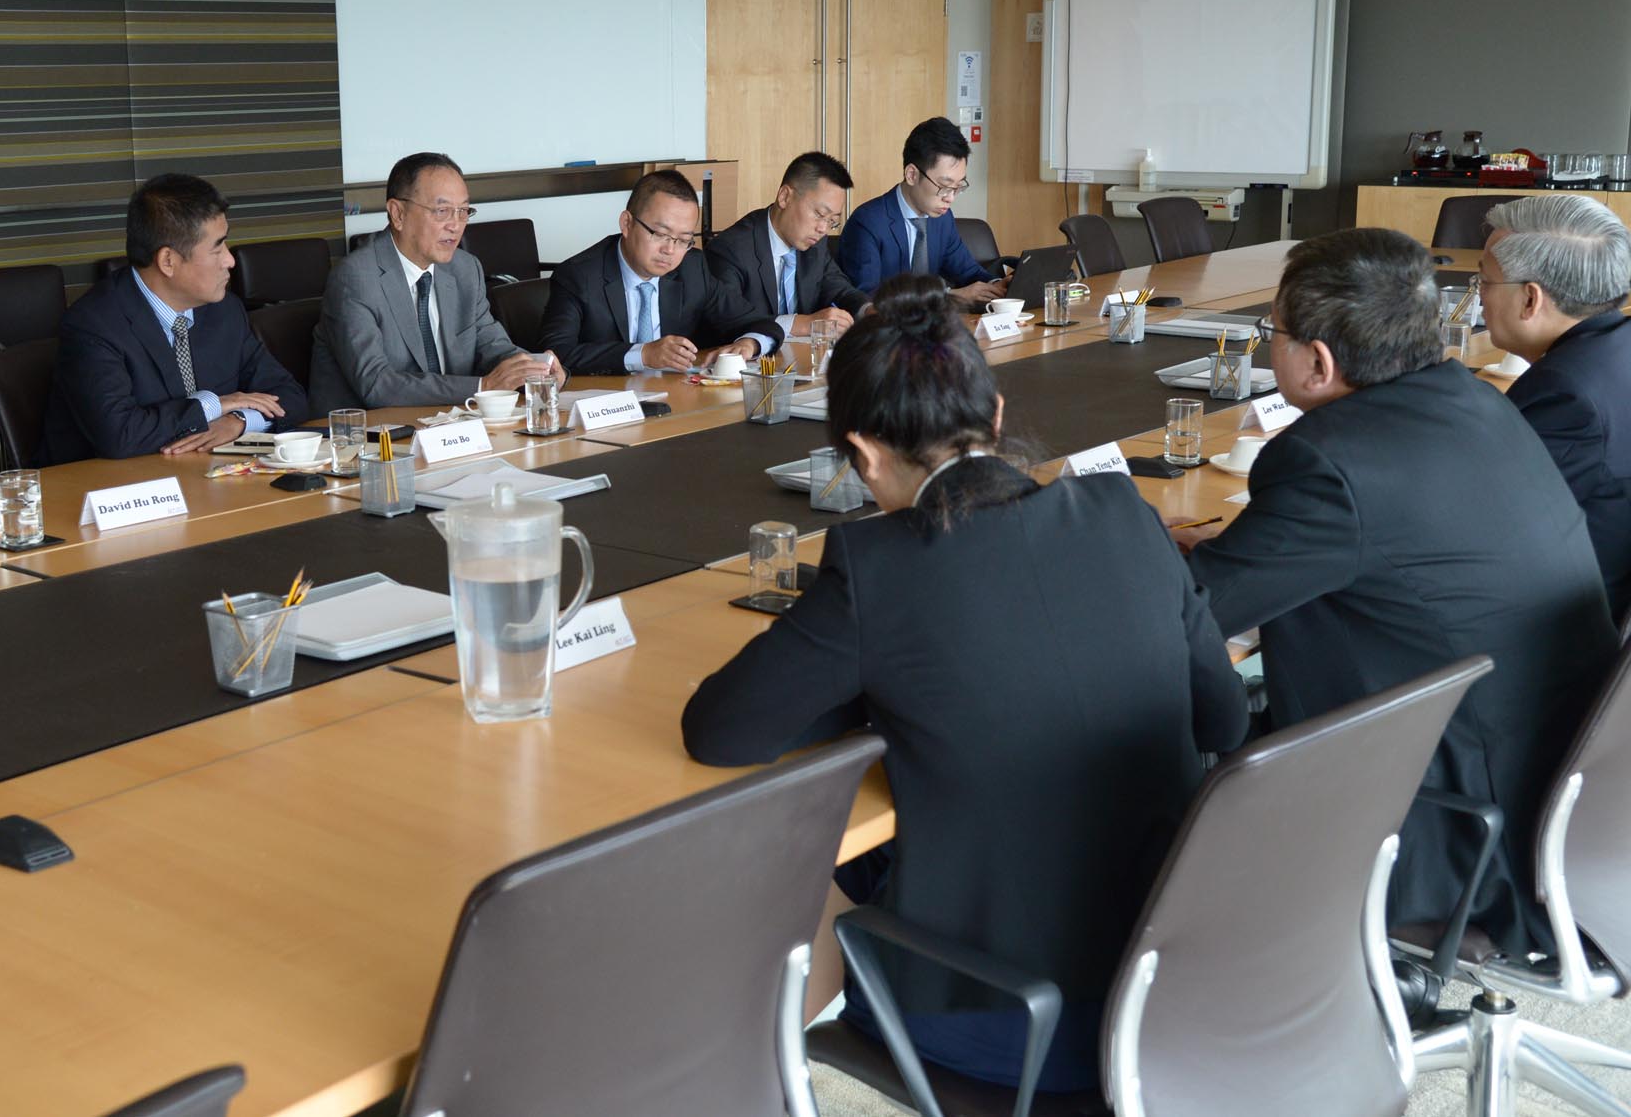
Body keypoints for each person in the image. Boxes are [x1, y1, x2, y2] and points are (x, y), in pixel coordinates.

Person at [681, 276, 1247, 1093]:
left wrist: (866, 687)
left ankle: (731, 1089)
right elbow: (1225, 721)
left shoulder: (876, 568)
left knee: (793, 864)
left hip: (1010, 1017)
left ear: (864, 451)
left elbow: (722, 731)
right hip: (1173, 983)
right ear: (998, 415)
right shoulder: (1122, 511)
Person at [1178, 228, 1615, 957]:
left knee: (1161, 752)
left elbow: (1189, 617)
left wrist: (1129, 546)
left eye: (1272, 334)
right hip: (1561, 801)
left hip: (1458, 840)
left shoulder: (1326, 461)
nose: (1268, 348)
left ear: (1319, 362)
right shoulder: (1479, 403)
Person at [40, 173, 308, 463]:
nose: (230, 260)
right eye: (217, 247)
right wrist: (214, 406)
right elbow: (119, 435)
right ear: (168, 261)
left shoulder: (224, 310)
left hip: (201, 473)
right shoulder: (94, 325)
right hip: (108, 484)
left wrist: (238, 421)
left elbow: (289, 395)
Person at [1478, 195, 1631, 622]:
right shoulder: (1617, 344)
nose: (1480, 298)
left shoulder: (1564, 393)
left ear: (1531, 300)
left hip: (1562, 626)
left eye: (1484, 281)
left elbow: (1490, 524)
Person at [310, 153, 558, 411]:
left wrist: (536, 370)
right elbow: (377, 384)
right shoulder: (355, 278)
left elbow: (492, 346)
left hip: (449, 421)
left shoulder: (464, 268)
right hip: (368, 428)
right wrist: (482, 386)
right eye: (442, 211)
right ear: (398, 213)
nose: (456, 225)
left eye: (463, 211)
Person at [538, 170, 780, 376]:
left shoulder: (693, 268)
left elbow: (762, 323)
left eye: (683, 240)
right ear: (627, 223)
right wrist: (643, 354)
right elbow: (555, 355)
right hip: (607, 403)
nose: (670, 250)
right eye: (660, 234)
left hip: (676, 398)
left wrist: (750, 344)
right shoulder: (579, 276)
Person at [837, 117, 1006, 307]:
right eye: (944, 186)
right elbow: (866, 300)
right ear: (912, 175)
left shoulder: (942, 219)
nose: (950, 198)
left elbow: (968, 272)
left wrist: (999, 285)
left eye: (958, 186)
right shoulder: (868, 222)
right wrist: (950, 297)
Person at [706, 151, 869, 345]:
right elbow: (729, 320)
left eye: (832, 221)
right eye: (819, 214)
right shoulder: (730, 249)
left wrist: (868, 310)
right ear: (784, 197)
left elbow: (839, 289)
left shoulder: (815, 244)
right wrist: (803, 324)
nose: (823, 229)